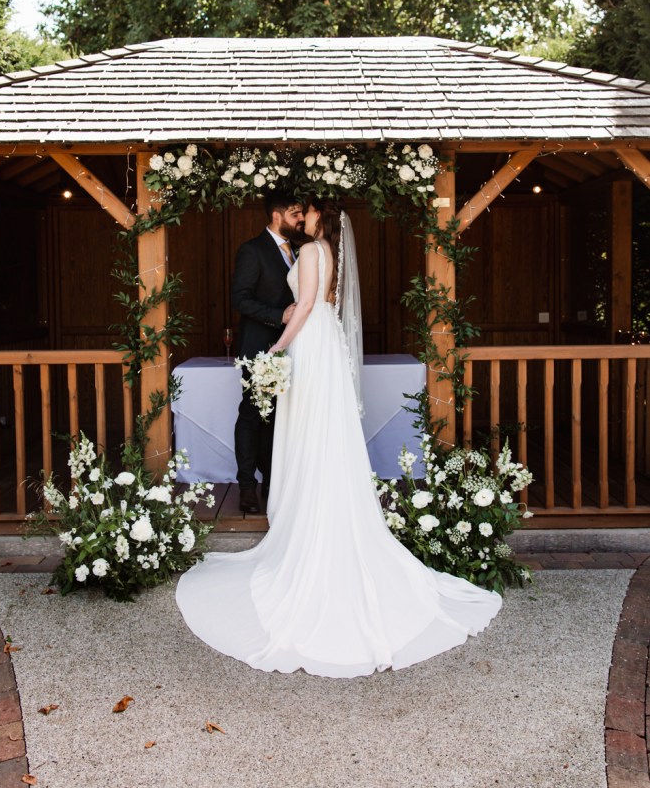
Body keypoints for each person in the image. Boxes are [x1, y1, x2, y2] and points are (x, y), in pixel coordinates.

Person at [176, 199, 502, 678]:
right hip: (324, 342)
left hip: (308, 341)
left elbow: (306, 305)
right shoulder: (329, 252)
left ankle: (307, 517)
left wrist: (277, 347)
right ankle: (321, 508)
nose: (301, 217)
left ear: (318, 219)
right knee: (322, 428)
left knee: (307, 428)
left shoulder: (311, 251)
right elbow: (317, 303)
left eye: (306, 212)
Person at [231, 192, 305, 514]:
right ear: (277, 216)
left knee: (278, 419)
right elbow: (240, 298)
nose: (300, 219)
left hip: (292, 349)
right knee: (252, 416)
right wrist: (279, 316)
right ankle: (247, 485)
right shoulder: (252, 250)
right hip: (260, 347)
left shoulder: (300, 250)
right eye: (295, 213)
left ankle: (273, 481)